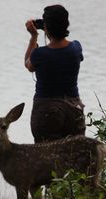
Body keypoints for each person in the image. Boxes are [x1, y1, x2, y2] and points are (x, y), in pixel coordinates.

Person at [24, 4, 85, 143]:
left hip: (47, 110)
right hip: (73, 108)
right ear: (66, 24)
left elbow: (28, 64)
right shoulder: (76, 48)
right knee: (73, 156)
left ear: (46, 28)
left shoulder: (40, 54)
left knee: (46, 157)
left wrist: (34, 36)